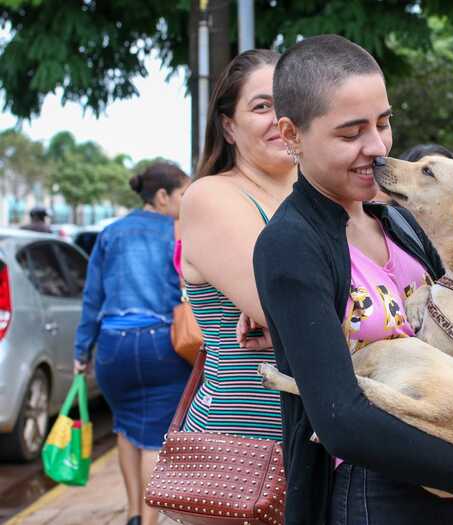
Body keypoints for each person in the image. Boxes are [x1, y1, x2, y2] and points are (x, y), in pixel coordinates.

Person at [254, 35, 453, 525]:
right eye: (351, 133)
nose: (377, 147)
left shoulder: (404, 220)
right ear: (292, 134)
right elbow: (340, 419)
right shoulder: (291, 244)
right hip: (378, 496)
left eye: (383, 123)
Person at [178, 49, 296, 439]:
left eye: (291, 102)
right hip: (246, 450)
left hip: (329, 443)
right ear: (229, 126)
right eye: (262, 106)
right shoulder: (211, 197)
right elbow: (287, 307)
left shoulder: (326, 198)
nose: (281, 118)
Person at [73, 162, 192, 525]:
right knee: (155, 438)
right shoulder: (177, 232)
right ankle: (150, 522)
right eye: (183, 195)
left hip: (112, 347)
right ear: (161, 197)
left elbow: (92, 298)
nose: (187, 203)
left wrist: (81, 352)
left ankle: (133, 513)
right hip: (160, 344)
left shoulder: (110, 233)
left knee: (126, 428)